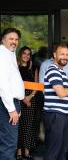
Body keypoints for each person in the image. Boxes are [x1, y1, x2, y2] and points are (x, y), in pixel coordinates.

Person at [0, 28, 25, 160]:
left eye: (16, 39)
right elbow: (2, 84)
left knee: (7, 141)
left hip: (11, 103)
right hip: (6, 104)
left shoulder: (9, 54)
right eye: (11, 39)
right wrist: (11, 109)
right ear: (3, 40)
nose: (14, 42)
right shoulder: (2, 54)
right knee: (9, 142)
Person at [16, 46, 39, 160]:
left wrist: (29, 98)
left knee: (28, 126)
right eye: (24, 53)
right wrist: (22, 98)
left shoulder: (34, 68)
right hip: (17, 98)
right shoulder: (15, 67)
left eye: (29, 54)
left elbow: (36, 86)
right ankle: (19, 153)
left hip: (31, 98)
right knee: (18, 126)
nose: (26, 56)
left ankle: (27, 151)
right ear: (21, 54)